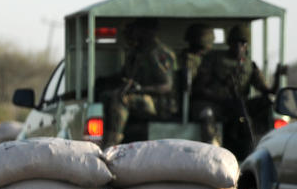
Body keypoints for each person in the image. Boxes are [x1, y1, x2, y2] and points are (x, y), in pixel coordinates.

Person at [192, 23, 286, 152]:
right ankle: (212, 148)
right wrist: (221, 98)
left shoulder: (249, 65)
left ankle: (264, 142)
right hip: (215, 104)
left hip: (238, 107)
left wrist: (277, 76)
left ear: (246, 46)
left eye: (242, 43)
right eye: (235, 43)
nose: (238, 47)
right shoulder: (214, 59)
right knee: (207, 114)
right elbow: (199, 88)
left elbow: (267, 90)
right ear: (229, 43)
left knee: (267, 102)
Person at [101, 18, 177, 148]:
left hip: (162, 104)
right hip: (144, 99)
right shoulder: (137, 52)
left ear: (146, 31)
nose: (132, 33)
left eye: (135, 29)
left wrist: (139, 89)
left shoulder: (158, 53)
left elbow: (166, 86)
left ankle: (111, 143)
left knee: (122, 99)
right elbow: (124, 76)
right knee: (108, 95)